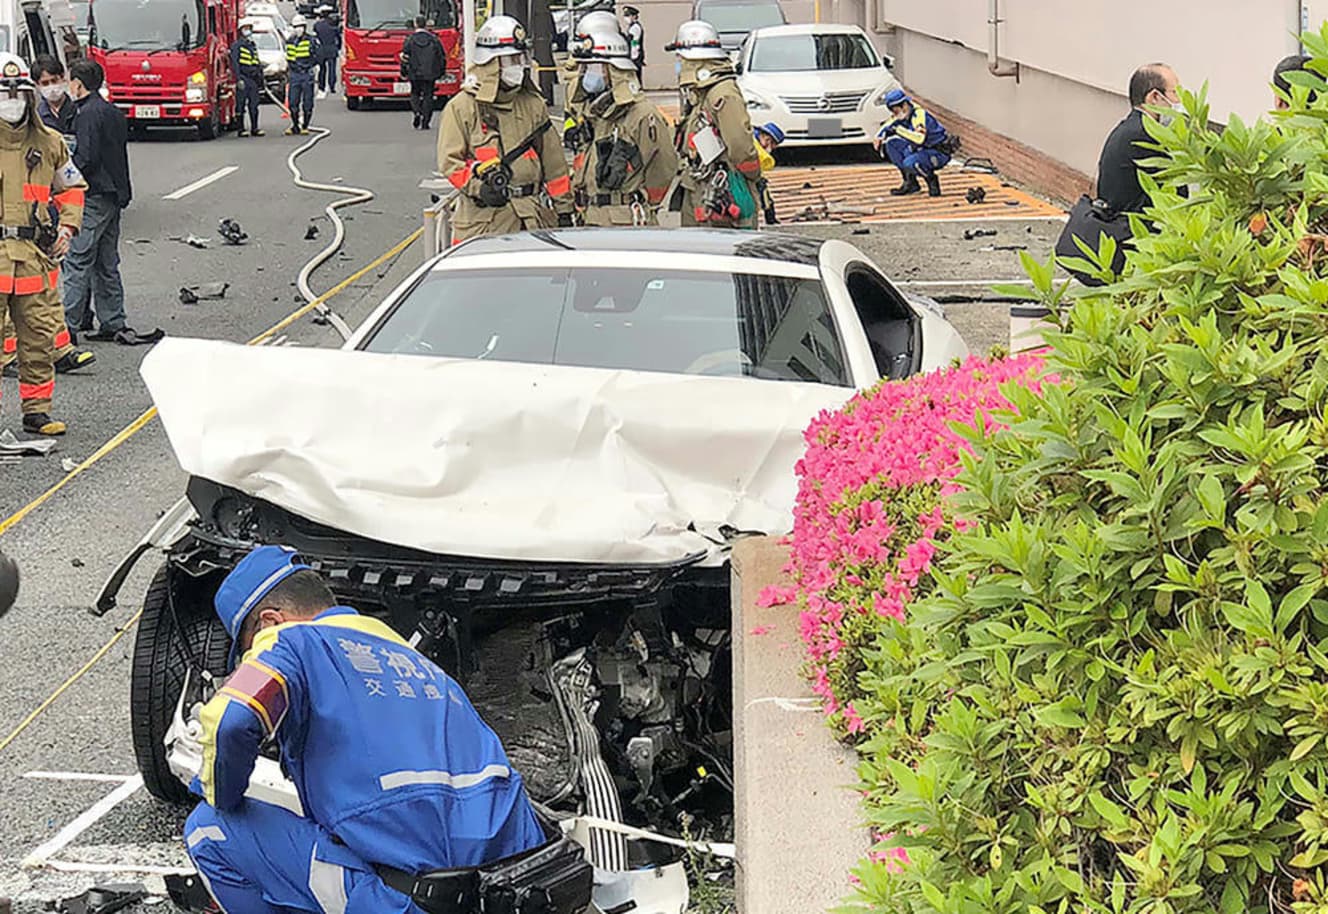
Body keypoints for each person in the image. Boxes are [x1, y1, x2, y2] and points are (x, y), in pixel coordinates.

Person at [183, 545, 546, 912]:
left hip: (409, 902)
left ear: (270, 622)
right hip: (510, 890)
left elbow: (230, 722)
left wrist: (219, 788)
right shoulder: (419, 664)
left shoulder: (288, 640)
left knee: (208, 828)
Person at [0, 53, 84, 436]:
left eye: (20, 91)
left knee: (37, 337)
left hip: (34, 256)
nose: (13, 99)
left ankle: (37, 412)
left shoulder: (50, 143)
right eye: (5, 92)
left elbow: (72, 188)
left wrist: (67, 229)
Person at [437, 15, 573, 241]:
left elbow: (554, 165)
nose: (518, 66)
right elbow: (450, 163)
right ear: (491, 63)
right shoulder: (462, 107)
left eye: (521, 58)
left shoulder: (533, 104)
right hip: (483, 225)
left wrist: (564, 211)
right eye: (511, 60)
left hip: (531, 221)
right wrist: (478, 188)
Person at [1054, 63, 1181, 285]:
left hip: (1120, 228)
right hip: (1133, 240)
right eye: (1175, 93)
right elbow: (1176, 193)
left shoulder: (1131, 127)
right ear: (1154, 97)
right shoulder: (1144, 135)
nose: (1180, 101)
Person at [65, 60, 150, 349]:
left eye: (69, 81)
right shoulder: (112, 111)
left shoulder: (86, 114)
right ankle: (112, 320)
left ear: (78, 84)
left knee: (77, 259)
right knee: (106, 261)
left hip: (94, 194)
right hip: (115, 193)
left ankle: (67, 326)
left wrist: (64, 179)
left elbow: (86, 157)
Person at [569, 29, 675, 226]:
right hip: (590, 218)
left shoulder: (642, 114)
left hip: (625, 221)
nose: (587, 74)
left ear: (614, 71)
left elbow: (664, 168)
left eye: (595, 68)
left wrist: (642, 201)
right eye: (586, 68)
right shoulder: (596, 114)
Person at [668, 19, 760, 228]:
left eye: (680, 58)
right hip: (701, 191)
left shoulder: (722, 94)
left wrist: (751, 176)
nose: (678, 63)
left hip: (722, 194)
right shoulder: (701, 96)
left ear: (694, 60)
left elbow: (740, 147)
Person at [873, 88, 950, 197]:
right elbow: (889, 123)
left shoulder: (918, 115)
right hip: (921, 150)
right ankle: (910, 183)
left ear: (904, 105)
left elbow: (919, 139)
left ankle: (931, 180)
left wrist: (898, 130)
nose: (894, 114)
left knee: (910, 162)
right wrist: (879, 136)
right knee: (892, 145)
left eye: (895, 111)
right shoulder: (904, 114)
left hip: (936, 152)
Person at [401, 15, 445, 130]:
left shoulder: (409, 40)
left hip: (414, 72)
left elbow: (405, 57)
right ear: (425, 24)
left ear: (415, 24)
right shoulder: (434, 39)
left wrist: (404, 71)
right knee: (428, 96)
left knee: (415, 93)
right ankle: (426, 121)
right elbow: (441, 56)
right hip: (430, 73)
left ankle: (417, 112)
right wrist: (441, 71)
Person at [284, 14, 319, 135]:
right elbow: (289, 58)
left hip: (306, 74)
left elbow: (317, 56)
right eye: (296, 26)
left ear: (304, 27)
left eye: (300, 26)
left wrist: (308, 67)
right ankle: (295, 125)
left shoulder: (311, 40)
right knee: (293, 102)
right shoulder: (290, 41)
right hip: (295, 75)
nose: (298, 29)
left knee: (307, 102)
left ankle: (305, 125)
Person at [231, 21, 264, 137]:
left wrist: (260, 77)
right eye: (246, 28)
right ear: (241, 30)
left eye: (249, 28)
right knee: (240, 105)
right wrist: (238, 79)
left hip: (253, 79)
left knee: (254, 105)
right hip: (243, 78)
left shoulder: (252, 45)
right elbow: (235, 63)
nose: (248, 30)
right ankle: (241, 129)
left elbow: (256, 62)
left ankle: (255, 128)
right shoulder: (236, 46)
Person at [754, 120, 782, 225]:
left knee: (766, 197)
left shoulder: (756, 141)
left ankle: (771, 219)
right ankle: (770, 220)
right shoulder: (753, 142)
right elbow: (767, 163)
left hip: (755, 174)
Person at [314, 5, 341, 98]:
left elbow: (315, 37)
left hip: (321, 50)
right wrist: (338, 47)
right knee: (332, 69)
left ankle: (321, 86)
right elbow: (338, 37)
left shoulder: (317, 24)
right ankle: (332, 86)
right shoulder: (333, 24)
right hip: (332, 49)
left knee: (322, 69)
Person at [622, 5, 643, 82]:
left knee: (635, 76)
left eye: (628, 15)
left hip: (635, 54)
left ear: (634, 16)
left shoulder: (635, 27)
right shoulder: (631, 27)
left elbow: (634, 42)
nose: (626, 18)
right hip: (633, 54)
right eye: (625, 16)